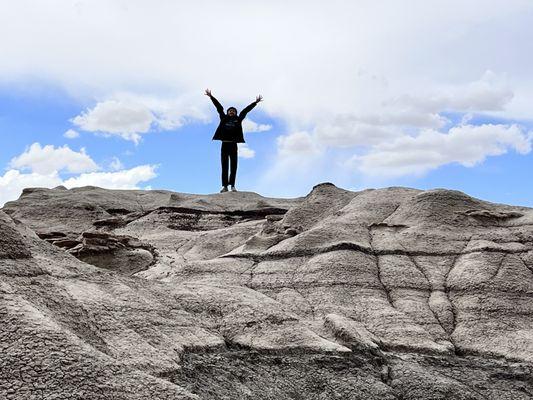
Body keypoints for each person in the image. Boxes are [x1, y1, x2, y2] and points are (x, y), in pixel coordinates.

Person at [205, 89, 263, 192]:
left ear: (235, 113)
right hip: (224, 144)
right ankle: (225, 186)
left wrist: (255, 103)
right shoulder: (223, 118)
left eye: (233, 111)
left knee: (234, 166)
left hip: (233, 145)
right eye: (230, 110)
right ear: (227, 112)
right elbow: (219, 108)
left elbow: (245, 111)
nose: (232, 111)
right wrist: (211, 97)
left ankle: (232, 185)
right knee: (224, 166)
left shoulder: (238, 119)